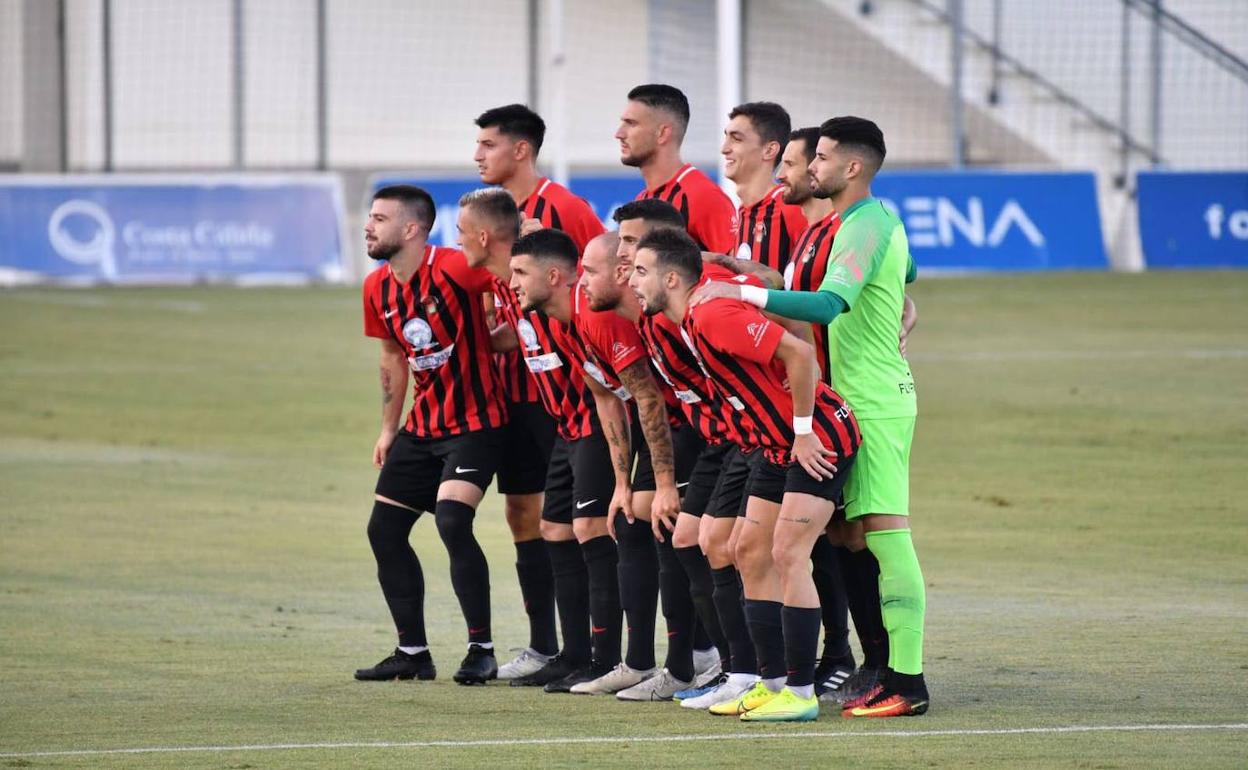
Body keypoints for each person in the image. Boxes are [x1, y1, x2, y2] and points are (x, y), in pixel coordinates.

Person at [692, 116, 930, 718]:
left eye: (820, 158)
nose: (810, 167)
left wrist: (738, 296)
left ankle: (908, 682)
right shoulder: (849, 226)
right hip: (848, 401)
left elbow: (828, 304)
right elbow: (906, 273)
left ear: (852, 167)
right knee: (849, 537)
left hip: (875, 400)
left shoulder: (867, 221)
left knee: (886, 534)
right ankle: (878, 667)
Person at [631, 227, 861, 722]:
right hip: (771, 447)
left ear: (672, 278)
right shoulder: (694, 303)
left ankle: (800, 694)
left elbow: (800, 354)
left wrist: (801, 431)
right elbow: (730, 271)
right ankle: (768, 682)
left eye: (641, 271)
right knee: (746, 552)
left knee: (788, 553)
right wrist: (715, 260)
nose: (632, 281)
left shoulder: (711, 314)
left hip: (816, 439)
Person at [354, 185, 505, 686]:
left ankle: (481, 649)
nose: (369, 226)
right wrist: (388, 429)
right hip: (422, 427)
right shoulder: (376, 286)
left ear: (413, 229)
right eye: (369, 217)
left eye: (380, 218)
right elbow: (393, 358)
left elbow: (508, 284)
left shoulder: (456, 267)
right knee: (384, 531)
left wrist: (497, 322)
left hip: (478, 422)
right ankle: (412, 653)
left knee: (452, 521)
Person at [573, 229, 721, 700]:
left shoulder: (680, 316)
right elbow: (616, 398)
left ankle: (712, 663)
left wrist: (665, 485)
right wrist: (625, 481)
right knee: (643, 520)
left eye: (632, 261)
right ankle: (660, 661)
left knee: (701, 537)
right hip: (696, 434)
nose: (585, 281)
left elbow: (652, 398)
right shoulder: (618, 317)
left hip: (721, 437)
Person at [455, 188, 558, 681]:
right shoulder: (495, 280)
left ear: (483, 234)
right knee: (525, 518)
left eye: (460, 232)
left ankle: (602, 652)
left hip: (559, 411)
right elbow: (515, 334)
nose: (456, 242)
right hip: (519, 405)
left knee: (582, 527)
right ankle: (545, 647)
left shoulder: (534, 263)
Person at [616, 83, 736, 254]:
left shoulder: (702, 197)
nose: (619, 133)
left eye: (631, 124)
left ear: (662, 133)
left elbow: (737, 271)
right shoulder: (643, 198)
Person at [474, 103, 605, 254]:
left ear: (520, 150)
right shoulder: (494, 212)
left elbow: (610, 267)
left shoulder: (565, 207)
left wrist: (550, 254)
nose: (477, 156)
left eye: (489, 146)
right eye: (479, 145)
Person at [722, 102, 808, 273]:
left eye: (737, 139)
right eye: (726, 137)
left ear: (769, 150)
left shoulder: (791, 208)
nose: (724, 149)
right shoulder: (741, 213)